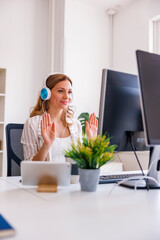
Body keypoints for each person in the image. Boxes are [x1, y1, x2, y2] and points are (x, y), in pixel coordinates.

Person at [21, 73, 98, 162]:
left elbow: (82, 164)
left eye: (69, 92)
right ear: (47, 94)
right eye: (61, 91)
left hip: (70, 176)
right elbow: (30, 167)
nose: (67, 97)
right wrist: (46, 144)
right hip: (45, 176)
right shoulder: (32, 124)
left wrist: (91, 141)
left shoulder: (75, 124)